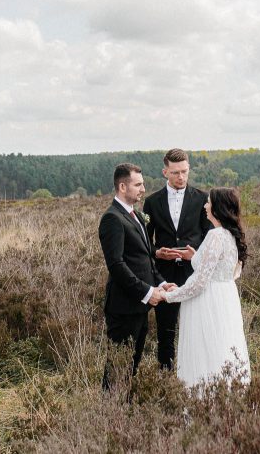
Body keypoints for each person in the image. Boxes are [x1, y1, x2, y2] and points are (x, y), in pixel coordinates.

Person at [98, 162, 176, 391]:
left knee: (132, 366)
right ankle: (108, 415)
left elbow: (145, 258)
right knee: (118, 367)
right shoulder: (112, 218)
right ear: (122, 187)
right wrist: (147, 291)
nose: (143, 189)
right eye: (138, 184)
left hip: (139, 307)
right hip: (123, 308)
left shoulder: (136, 216)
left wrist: (161, 282)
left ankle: (125, 416)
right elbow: (117, 264)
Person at [163, 187, 250, 389]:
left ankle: (204, 400)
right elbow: (228, 271)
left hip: (207, 301)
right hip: (226, 298)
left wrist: (171, 295)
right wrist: (196, 257)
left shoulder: (216, 236)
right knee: (222, 346)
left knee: (205, 349)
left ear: (218, 208)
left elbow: (200, 282)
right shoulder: (230, 235)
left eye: (209, 202)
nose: (205, 206)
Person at [142, 148, 212, 370]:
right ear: (165, 172)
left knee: (198, 327)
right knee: (166, 330)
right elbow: (145, 241)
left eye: (184, 172)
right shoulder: (151, 202)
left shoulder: (202, 199)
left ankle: (199, 374)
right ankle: (166, 375)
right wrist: (157, 253)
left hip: (195, 274)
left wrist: (195, 255)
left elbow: (210, 237)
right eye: (175, 173)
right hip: (164, 275)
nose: (181, 177)